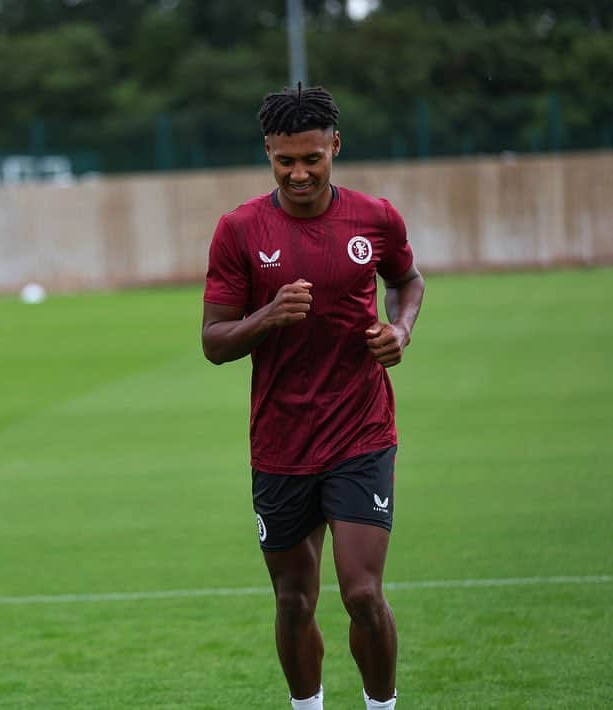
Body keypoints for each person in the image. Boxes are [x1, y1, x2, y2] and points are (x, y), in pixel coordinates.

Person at [200, 86, 425, 710]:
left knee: (360, 592)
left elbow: (407, 281)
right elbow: (214, 342)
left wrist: (399, 330)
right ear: (268, 154)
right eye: (284, 161)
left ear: (335, 147)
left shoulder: (375, 218)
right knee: (294, 601)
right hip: (280, 441)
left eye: (312, 159)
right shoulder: (240, 230)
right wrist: (267, 315)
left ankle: (382, 706)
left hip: (361, 430)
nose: (299, 173)